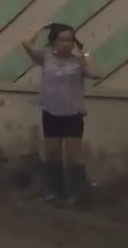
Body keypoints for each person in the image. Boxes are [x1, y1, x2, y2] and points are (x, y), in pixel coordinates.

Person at [20, 22, 103, 205]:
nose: (66, 44)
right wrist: (41, 28)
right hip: (51, 112)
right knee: (52, 155)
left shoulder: (79, 62)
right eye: (62, 40)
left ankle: (76, 194)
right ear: (54, 42)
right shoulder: (45, 57)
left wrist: (85, 53)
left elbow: (97, 74)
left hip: (72, 114)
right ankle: (53, 192)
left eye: (70, 40)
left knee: (72, 156)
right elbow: (26, 43)